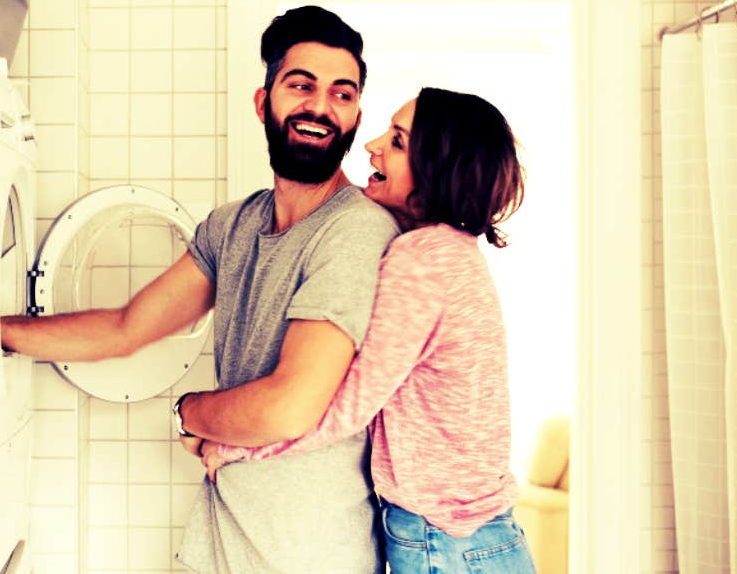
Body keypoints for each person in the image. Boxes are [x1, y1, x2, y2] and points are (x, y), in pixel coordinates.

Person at [1, 6, 399, 573]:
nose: (321, 107)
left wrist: (192, 411)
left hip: (310, 556)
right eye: (301, 85)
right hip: (216, 545)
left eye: (342, 94)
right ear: (264, 102)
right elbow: (126, 328)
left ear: (357, 116)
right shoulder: (231, 227)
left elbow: (290, 406)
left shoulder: (356, 231)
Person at [195, 88, 537, 574]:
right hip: (476, 538)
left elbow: (350, 406)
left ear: (437, 171)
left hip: (445, 544)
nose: (371, 145)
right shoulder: (452, 254)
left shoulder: (420, 263)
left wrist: (236, 444)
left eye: (397, 142)